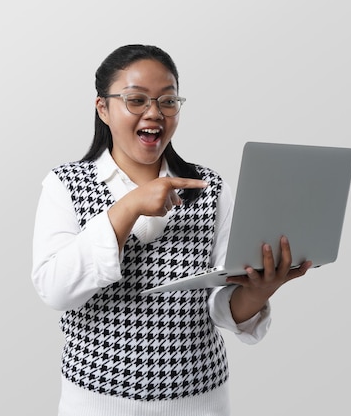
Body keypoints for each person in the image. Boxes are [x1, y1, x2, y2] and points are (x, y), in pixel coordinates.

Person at [31, 44, 312, 416]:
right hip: (96, 402)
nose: (154, 113)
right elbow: (55, 290)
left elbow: (222, 306)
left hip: (199, 401)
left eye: (168, 101)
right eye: (136, 100)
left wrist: (261, 290)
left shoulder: (208, 188)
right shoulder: (65, 184)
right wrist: (128, 207)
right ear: (103, 108)